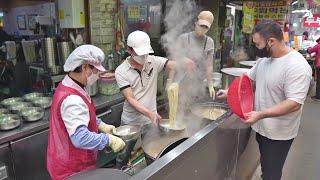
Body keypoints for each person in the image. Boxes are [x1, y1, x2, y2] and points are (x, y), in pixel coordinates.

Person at [217, 20, 312, 180]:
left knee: (271, 173)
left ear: (271, 41)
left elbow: (294, 103)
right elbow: (247, 80)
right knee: (265, 166)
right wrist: (228, 92)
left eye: (257, 44)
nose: (255, 48)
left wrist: (260, 114)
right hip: (261, 127)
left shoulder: (297, 66)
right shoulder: (264, 61)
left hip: (278, 134)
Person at [47, 45, 125, 180]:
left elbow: (84, 117)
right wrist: (109, 140)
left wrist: (101, 125)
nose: (98, 75)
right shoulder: (72, 100)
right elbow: (80, 138)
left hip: (68, 159)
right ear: (84, 68)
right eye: (95, 70)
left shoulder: (71, 85)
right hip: (72, 169)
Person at [115, 30, 194, 127]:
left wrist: (183, 61)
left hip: (150, 120)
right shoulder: (121, 71)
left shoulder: (153, 61)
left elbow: (172, 65)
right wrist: (149, 114)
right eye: (140, 53)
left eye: (146, 53)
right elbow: (130, 98)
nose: (144, 56)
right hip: (131, 122)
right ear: (129, 50)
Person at [176, 10, 216, 106]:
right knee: (181, 106)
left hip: (198, 82)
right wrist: (184, 59)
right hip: (181, 80)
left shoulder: (209, 42)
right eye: (201, 25)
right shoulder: (183, 38)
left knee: (195, 108)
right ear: (196, 22)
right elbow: (174, 56)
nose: (203, 28)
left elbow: (209, 65)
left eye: (206, 27)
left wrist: (210, 84)